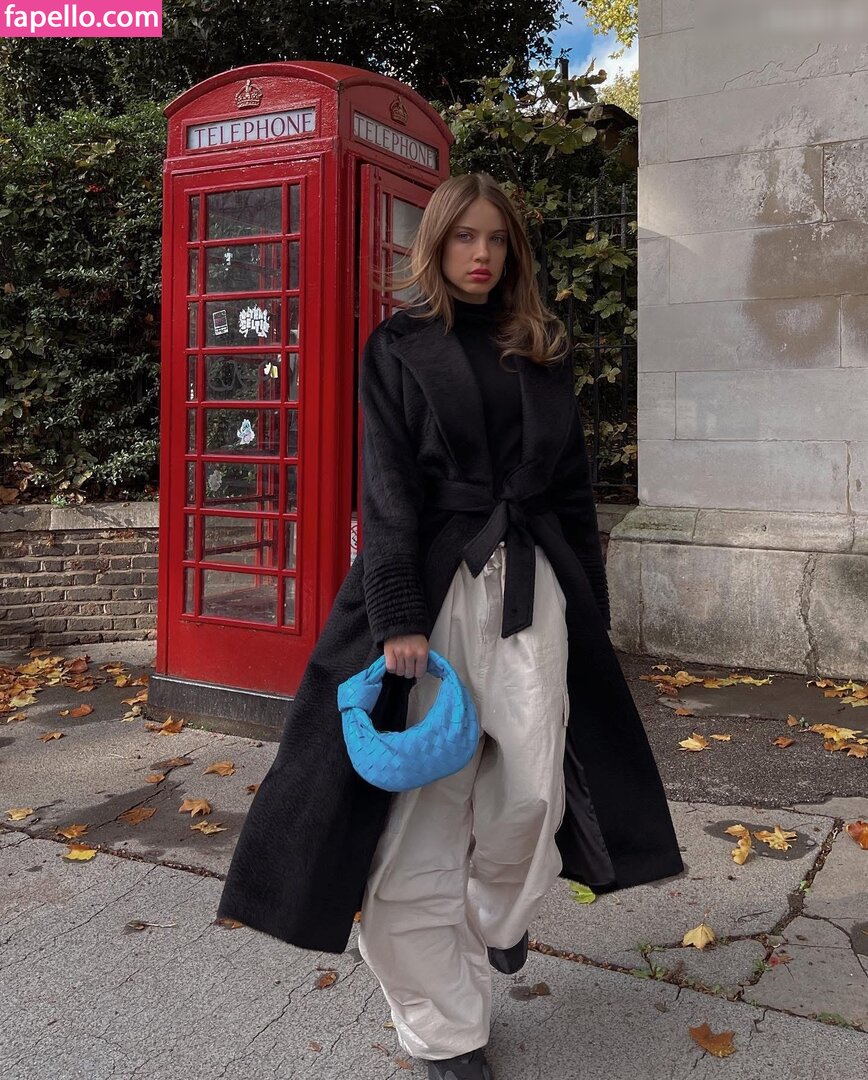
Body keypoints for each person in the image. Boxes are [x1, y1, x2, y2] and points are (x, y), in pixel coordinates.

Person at [216, 173, 684, 1080]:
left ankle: (496, 917)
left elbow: (573, 490)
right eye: (465, 237)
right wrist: (397, 615)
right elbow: (387, 490)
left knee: (532, 799)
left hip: (536, 591)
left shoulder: (540, 347)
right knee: (422, 823)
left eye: (497, 239)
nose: (482, 254)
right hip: (434, 595)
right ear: (435, 244)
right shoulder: (397, 347)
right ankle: (445, 1031)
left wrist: (592, 610)